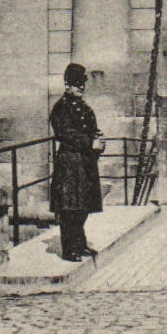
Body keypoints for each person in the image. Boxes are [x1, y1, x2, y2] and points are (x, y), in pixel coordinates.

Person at [49, 62, 105, 261]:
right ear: (67, 85)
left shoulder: (85, 108)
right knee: (69, 208)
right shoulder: (61, 108)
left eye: (82, 83)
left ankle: (80, 244)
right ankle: (69, 248)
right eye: (76, 84)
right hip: (69, 162)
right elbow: (65, 134)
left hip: (85, 163)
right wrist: (90, 143)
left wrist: (99, 141)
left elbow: (92, 130)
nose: (80, 87)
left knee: (83, 206)